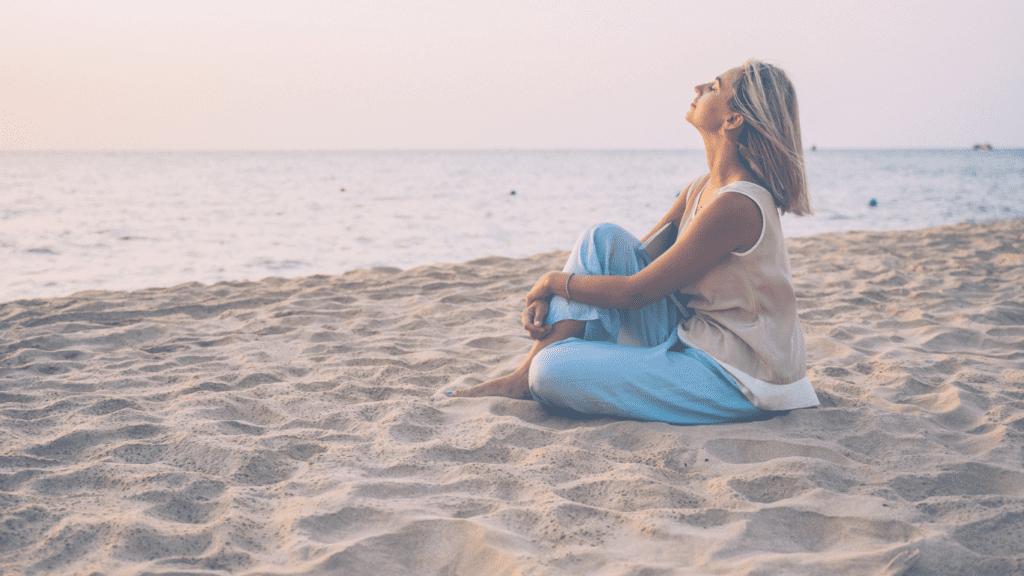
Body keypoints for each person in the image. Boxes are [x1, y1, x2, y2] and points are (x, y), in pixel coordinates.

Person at [447, 59, 820, 425]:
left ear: (733, 120)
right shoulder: (701, 188)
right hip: (694, 338)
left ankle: (536, 373)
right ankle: (521, 377)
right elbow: (624, 261)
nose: (699, 88)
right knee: (601, 239)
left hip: (739, 377)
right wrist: (561, 296)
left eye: (715, 87)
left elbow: (634, 293)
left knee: (551, 371)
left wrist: (549, 283)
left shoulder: (737, 204)